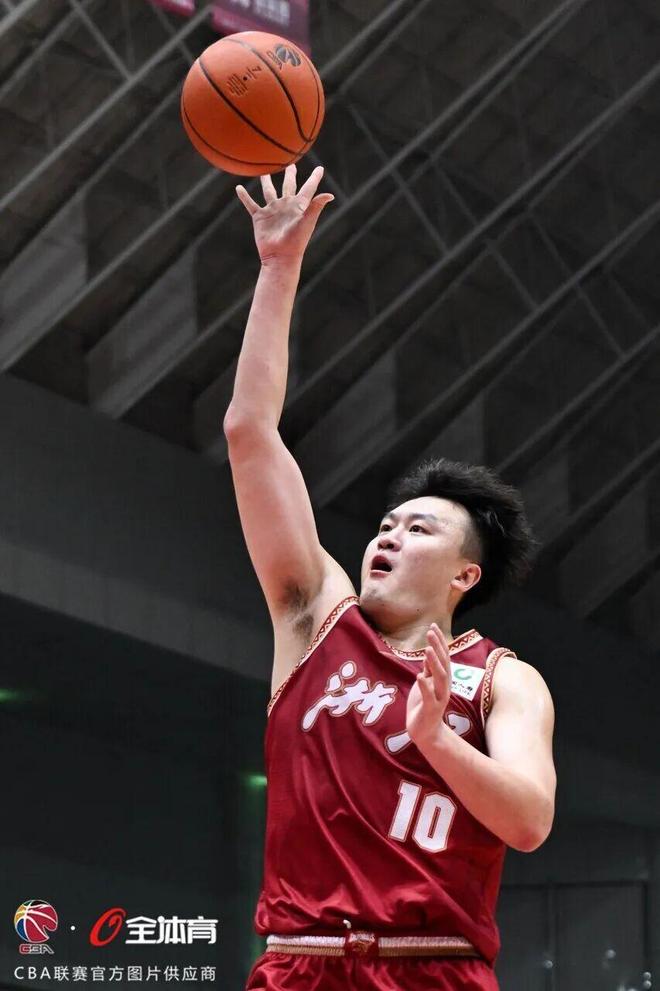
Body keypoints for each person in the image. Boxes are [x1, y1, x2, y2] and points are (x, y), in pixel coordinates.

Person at [225, 165, 556, 991]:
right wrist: (278, 270)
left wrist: (438, 739)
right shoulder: (314, 621)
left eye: (419, 528)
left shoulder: (502, 681)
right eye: (386, 524)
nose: (389, 533)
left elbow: (528, 819)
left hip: (431, 968)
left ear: (465, 572)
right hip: (298, 966)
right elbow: (249, 430)